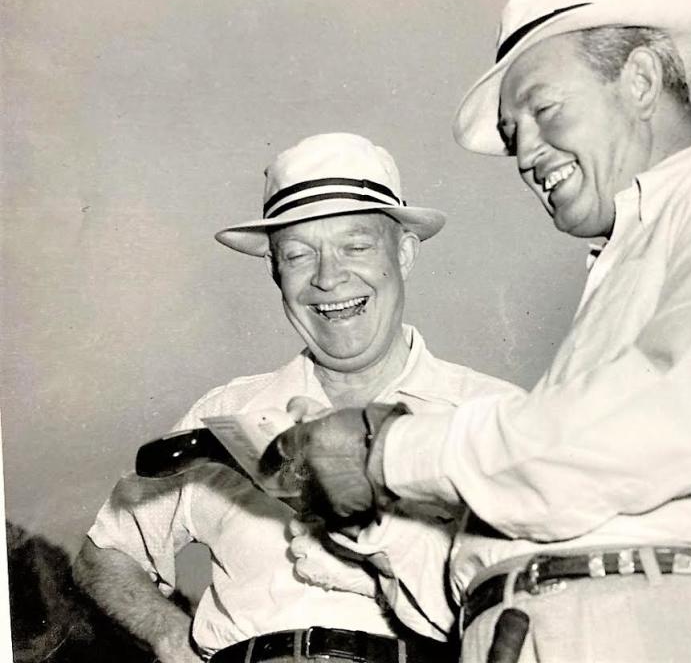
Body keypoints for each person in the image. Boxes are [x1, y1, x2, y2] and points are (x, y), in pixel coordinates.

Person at [277, 0, 691, 663]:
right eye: (513, 135)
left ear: (640, 80)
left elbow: (680, 424)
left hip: (669, 631)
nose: (526, 154)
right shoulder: (626, 264)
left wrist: (384, 450)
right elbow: (539, 538)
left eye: (544, 110)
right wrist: (367, 518)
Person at [73, 133, 519, 663]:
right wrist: (169, 634)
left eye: (355, 246)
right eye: (299, 255)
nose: (329, 278)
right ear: (275, 272)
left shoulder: (495, 416)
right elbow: (105, 551)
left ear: (404, 253)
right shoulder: (224, 415)